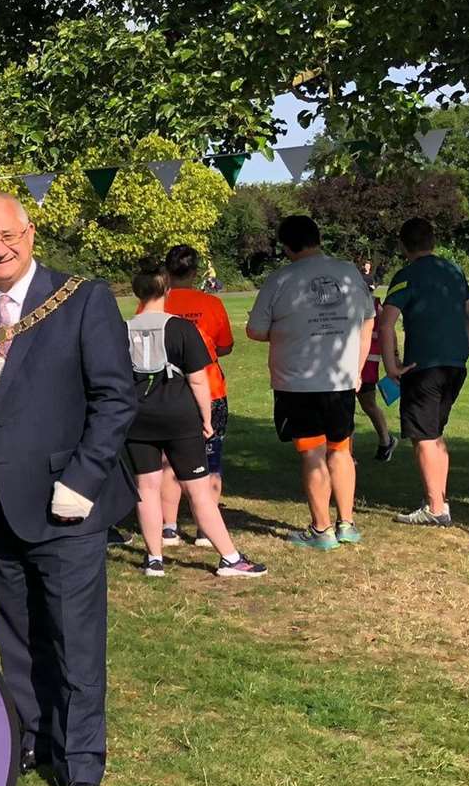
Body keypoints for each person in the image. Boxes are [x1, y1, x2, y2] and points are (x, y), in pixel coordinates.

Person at [0, 189, 138, 786]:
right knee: (18, 636)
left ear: (30, 234)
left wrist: (83, 479)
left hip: (68, 505)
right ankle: (33, 739)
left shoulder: (83, 299)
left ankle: (82, 766)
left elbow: (115, 398)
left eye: (7, 237)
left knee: (75, 641)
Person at [124, 261, 266, 578]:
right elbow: (199, 380)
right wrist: (206, 419)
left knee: (146, 487)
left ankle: (154, 559)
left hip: (138, 417)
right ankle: (230, 558)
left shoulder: (123, 330)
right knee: (199, 491)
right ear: (167, 290)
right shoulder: (181, 328)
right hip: (179, 416)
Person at [246, 215, 376, 550]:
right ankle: (346, 522)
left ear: (287, 246)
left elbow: (256, 330)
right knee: (342, 449)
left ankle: (321, 530)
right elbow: (368, 321)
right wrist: (358, 368)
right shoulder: (349, 272)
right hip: (341, 378)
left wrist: (293, 330)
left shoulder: (280, 279)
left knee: (312, 453)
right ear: (319, 238)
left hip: (298, 383)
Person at [378, 218, 469, 527]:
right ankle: (439, 500)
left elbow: (386, 323)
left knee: (423, 437)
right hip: (454, 365)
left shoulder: (406, 276)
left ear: (402, 245)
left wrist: (391, 365)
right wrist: (463, 346)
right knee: (435, 434)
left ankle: (435, 509)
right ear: (433, 241)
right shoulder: (452, 271)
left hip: (423, 367)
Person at [157, 244, 234, 547]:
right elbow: (225, 346)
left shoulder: (154, 303)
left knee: (168, 458)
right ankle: (206, 528)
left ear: (167, 271)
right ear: (195, 272)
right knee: (211, 457)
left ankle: (169, 526)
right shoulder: (211, 304)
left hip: (167, 390)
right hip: (210, 388)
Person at [356, 294, 399, 463]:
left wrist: (395, 355)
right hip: (345, 358)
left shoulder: (374, 304)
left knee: (368, 403)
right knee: (344, 404)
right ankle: (345, 451)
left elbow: (388, 330)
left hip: (367, 361)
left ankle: (386, 440)